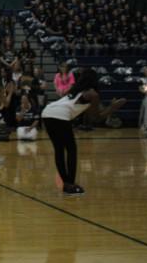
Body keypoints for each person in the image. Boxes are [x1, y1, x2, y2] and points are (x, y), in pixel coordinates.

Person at [40, 68, 125, 196]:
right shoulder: (92, 94)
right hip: (60, 116)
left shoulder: (75, 90)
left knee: (59, 150)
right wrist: (112, 108)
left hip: (47, 112)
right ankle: (70, 184)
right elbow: (95, 119)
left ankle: (67, 185)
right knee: (71, 150)